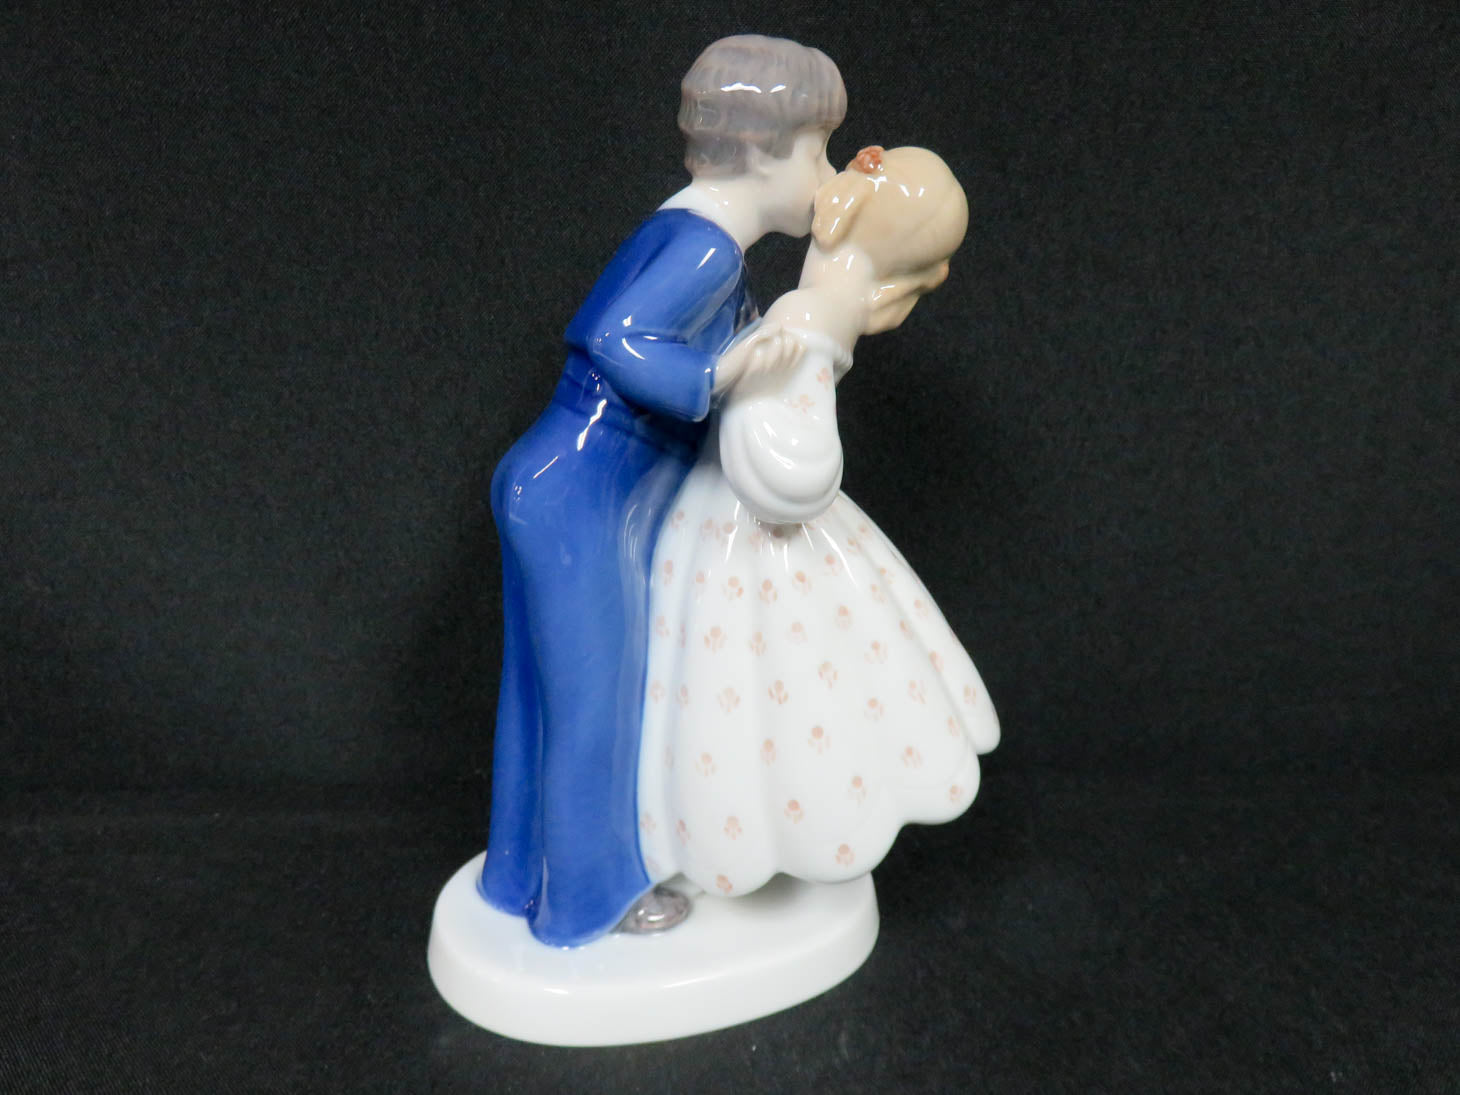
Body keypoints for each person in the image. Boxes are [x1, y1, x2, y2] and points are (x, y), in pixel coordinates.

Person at [480, 36, 845, 947]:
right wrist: (718, 374)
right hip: (580, 498)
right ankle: (585, 902)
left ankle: (515, 871)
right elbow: (614, 336)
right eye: (818, 153)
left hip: (547, 484)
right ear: (760, 151)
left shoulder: (682, 231)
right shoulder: (708, 250)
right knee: (595, 704)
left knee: (538, 696)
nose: (824, 175)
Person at [636, 147, 1000, 898]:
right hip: (730, 513)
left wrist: (755, 406)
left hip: (738, 533)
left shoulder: (804, 317)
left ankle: (730, 838)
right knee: (785, 687)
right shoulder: (817, 312)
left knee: (741, 682)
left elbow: (779, 468)